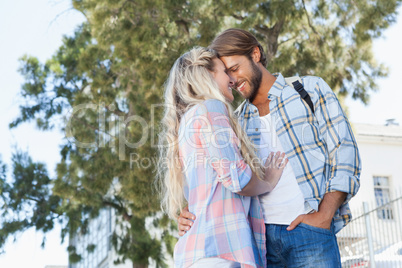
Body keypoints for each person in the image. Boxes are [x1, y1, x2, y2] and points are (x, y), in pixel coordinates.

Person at [178, 29, 361, 267]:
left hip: (310, 232)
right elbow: (220, 176)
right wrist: (189, 212)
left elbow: (344, 151)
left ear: (255, 54)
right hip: (259, 244)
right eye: (226, 74)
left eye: (234, 69)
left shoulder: (309, 90)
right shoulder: (236, 120)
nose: (232, 80)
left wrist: (324, 215)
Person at [157, 47, 288, 268]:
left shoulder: (186, 122)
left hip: (197, 253)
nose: (232, 79)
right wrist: (268, 181)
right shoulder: (211, 108)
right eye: (224, 71)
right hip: (220, 252)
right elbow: (236, 178)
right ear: (207, 75)